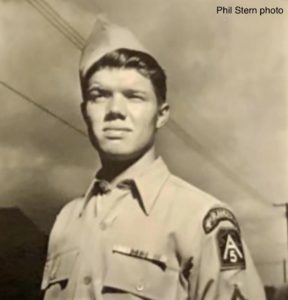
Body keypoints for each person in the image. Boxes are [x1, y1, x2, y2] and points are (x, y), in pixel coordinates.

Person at [41, 16, 266, 300]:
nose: (115, 110)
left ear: (161, 114)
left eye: (134, 96)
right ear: (85, 111)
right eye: (99, 95)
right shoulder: (66, 220)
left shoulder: (200, 220)